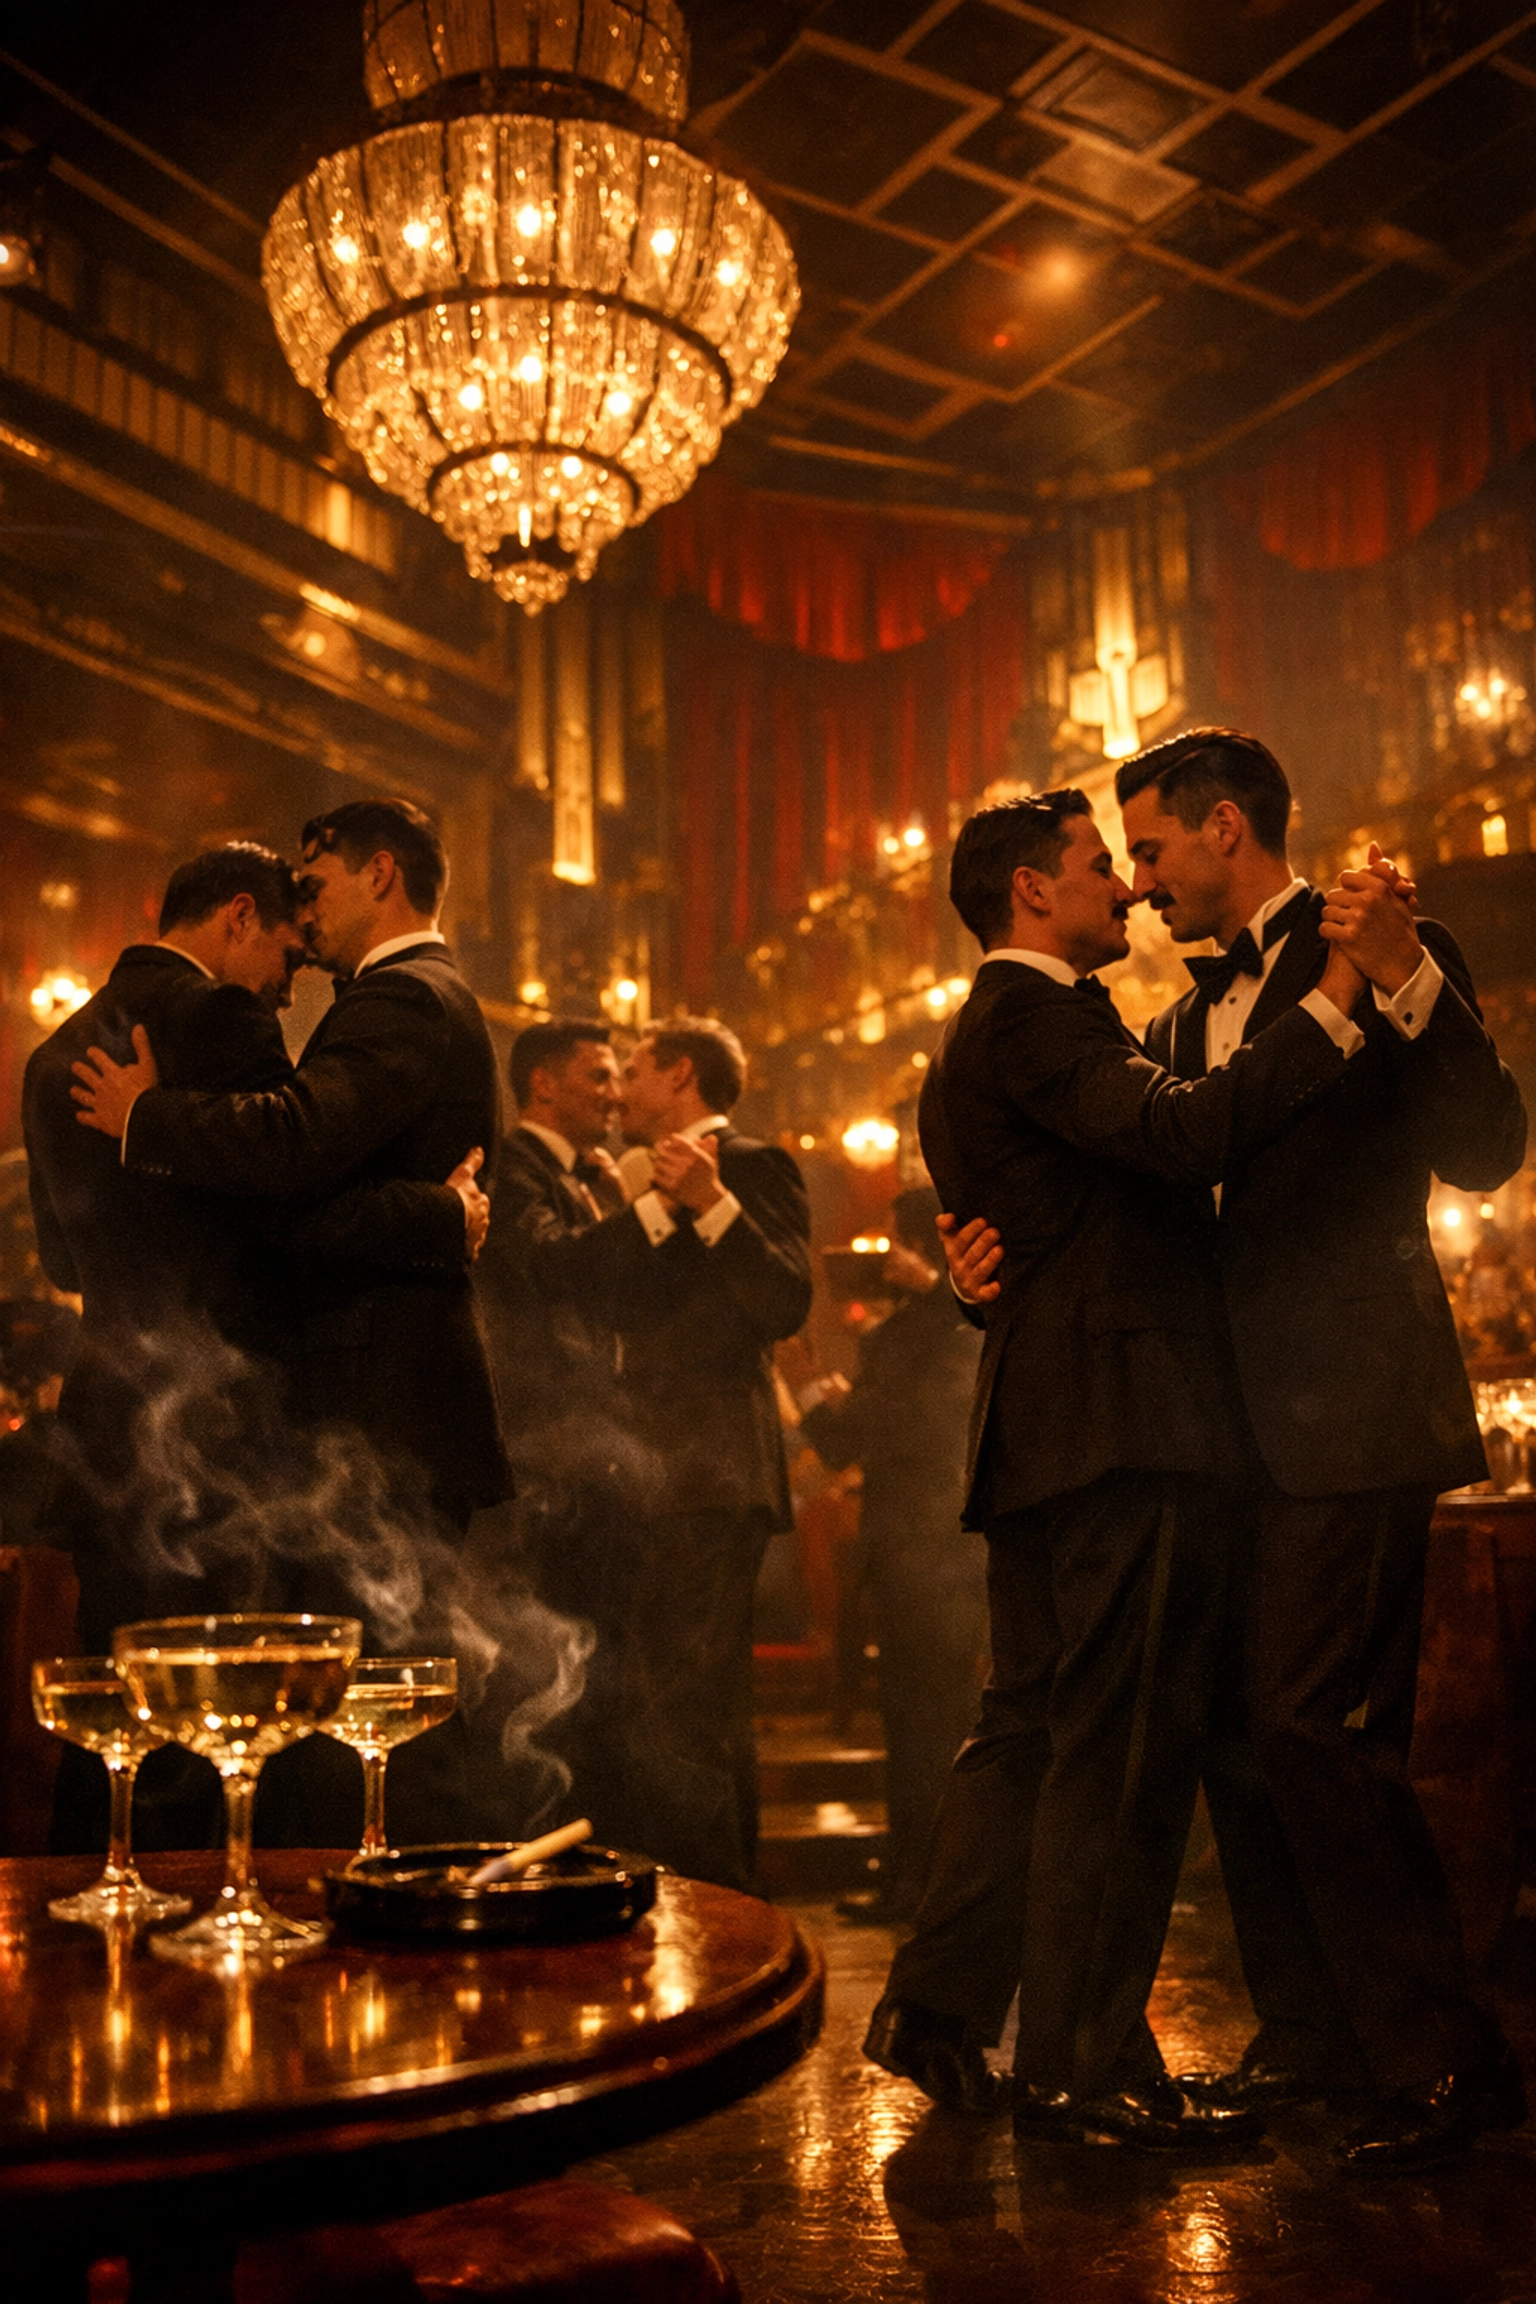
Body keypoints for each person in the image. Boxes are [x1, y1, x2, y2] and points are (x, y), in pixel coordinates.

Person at [864, 789, 1370, 2151]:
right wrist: (1335, 999)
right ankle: (1082, 2069)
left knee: (1030, 1730)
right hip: (1124, 1424)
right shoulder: (1041, 1016)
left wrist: (976, 1280)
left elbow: (1041, 1221)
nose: (1130, 888)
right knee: (1121, 1745)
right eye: (1103, 864)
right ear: (1033, 891)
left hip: (1051, 1426)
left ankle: (939, 2011)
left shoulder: (992, 1027)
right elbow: (1185, 1136)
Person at [1113, 727, 1528, 2172]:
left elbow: (1487, 1149)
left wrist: (1406, 976)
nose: (1140, 881)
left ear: (1226, 827)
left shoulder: (1390, 947)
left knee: (1315, 1726)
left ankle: (1447, 2057)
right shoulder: (1178, 1027)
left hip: (1355, 1407)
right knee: (1240, 1736)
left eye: (1153, 848)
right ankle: (1308, 2037)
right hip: (1221, 1432)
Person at [71, 800, 508, 1551]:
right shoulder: (411, 990)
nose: (302, 915)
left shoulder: (404, 994)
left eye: (313, 885)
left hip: (381, 1408)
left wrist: (146, 1115)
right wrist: (440, 1215)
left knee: (368, 1625)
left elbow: (291, 1140)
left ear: (380, 874)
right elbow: (307, 1184)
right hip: (384, 1408)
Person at [609, 1018, 813, 1891]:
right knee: (689, 1706)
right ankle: (716, 1906)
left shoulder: (755, 1165)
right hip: (655, 1473)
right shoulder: (631, 1178)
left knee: (686, 1712)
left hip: (711, 1469)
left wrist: (713, 1202)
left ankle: (705, 1913)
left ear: (680, 1074)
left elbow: (786, 1299)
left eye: (634, 1070)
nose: (620, 1090)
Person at [798, 1185, 986, 1924]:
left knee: (930, 1731)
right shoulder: (924, 1329)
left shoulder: (942, 1327)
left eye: (894, 1242)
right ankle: (919, 1879)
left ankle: (931, 1887)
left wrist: (812, 1393)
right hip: (927, 1560)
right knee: (918, 1729)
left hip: (930, 1559)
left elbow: (866, 1434)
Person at [474, 1018, 633, 1841]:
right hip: (542, 1450)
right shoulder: (515, 1168)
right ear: (542, 1083)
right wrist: (647, 1213)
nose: (616, 1095)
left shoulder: (582, 1176)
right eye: (599, 1075)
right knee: (539, 1664)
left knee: (588, 1661)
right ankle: (533, 1837)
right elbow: (547, 1268)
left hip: (587, 1453)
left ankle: (583, 1834)